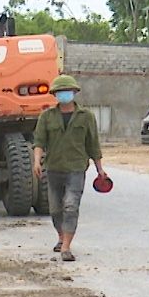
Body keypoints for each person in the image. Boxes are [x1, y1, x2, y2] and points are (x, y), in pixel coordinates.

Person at [32, 75, 108, 262]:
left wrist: (100, 169)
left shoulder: (87, 117)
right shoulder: (47, 117)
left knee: (71, 206)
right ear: (55, 94)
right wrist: (36, 162)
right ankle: (60, 236)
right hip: (54, 168)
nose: (64, 95)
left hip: (76, 168)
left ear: (74, 92)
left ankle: (66, 247)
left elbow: (93, 145)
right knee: (55, 209)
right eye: (60, 92)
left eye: (67, 91)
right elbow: (39, 141)